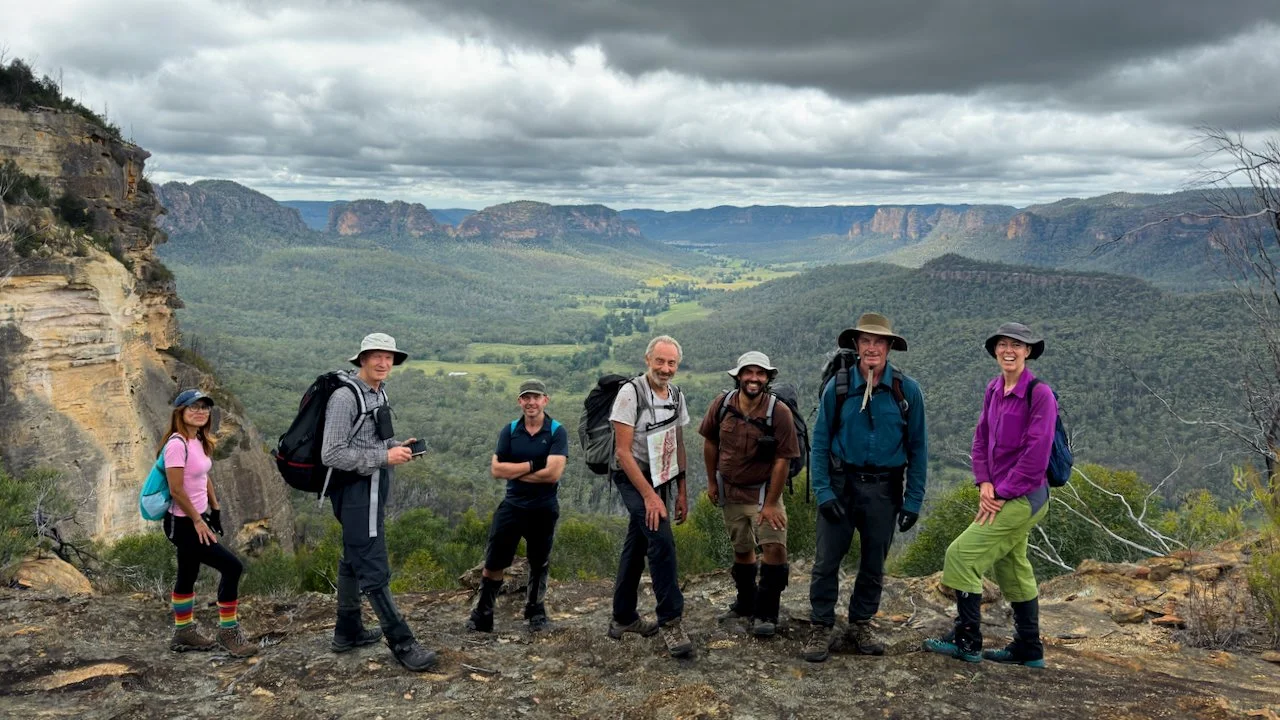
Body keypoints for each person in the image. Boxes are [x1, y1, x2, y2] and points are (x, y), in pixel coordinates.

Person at [924, 322, 1054, 667]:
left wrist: (1001, 493)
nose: (1008, 350)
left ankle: (968, 640)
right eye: (1002, 344)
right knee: (1012, 566)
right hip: (998, 491)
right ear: (995, 350)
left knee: (961, 556)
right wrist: (983, 482)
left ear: (1028, 351)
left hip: (1026, 496)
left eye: (1017, 345)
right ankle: (1029, 648)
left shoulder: (1039, 394)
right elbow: (981, 437)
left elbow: (1036, 454)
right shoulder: (994, 388)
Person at [803, 312, 928, 662]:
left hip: (884, 490)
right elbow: (821, 441)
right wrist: (824, 492)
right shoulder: (838, 388)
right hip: (842, 485)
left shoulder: (907, 391)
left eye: (879, 342)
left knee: (874, 562)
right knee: (827, 560)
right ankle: (821, 625)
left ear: (889, 347)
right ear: (856, 346)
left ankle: (861, 622)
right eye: (866, 341)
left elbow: (918, 448)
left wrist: (913, 499)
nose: (872, 348)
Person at [321, 332, 437, 672]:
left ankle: (348, 630)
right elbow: (332, 452)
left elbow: (376, 441)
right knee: (372, 563)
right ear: (361, 358)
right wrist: (384, 456)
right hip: (357, 491)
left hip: (371, 486)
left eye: (388, 357)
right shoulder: (345, 398)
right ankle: (402, 643)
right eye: (376, 356)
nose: (383, 362)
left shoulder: (377, 391)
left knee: (351, 556)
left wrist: (400, 447)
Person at [699, 351, 799, 637]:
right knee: (742, 548)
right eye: (748, 372)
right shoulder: (722, 405)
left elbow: (783, 459)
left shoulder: (778, 412)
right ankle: (746, 603)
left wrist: (770, 504)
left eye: (760, 373)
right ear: (739, 376)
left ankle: (767, 612)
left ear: (767, 378)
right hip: (730, 490)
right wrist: (711, 482)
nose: (753, 378)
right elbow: (710, 443)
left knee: (774, 546)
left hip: (764, 492)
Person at [607, 335, 694, 658]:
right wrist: (651, 498)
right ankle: (671, 620)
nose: (666, 368)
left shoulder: (675, 395)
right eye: (660, 361)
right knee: (661, 539)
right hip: (631, 476)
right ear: (648, 360)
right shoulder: (631, 394)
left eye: (671, 363)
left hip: (660, 475)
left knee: (638, 541)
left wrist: (681, 492)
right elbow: (623, 452)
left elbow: (679, 443)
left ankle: (623, 617)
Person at [467, 379, 569, 633]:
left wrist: (515, 472)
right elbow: (496, 469)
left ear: (545, 400)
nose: (531, 402)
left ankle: (535, 610)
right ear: (519, 401)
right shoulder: (510, 430)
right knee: (494, 562)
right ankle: (484, 613)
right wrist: (533, 466)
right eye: (526, 397)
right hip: (513, 506)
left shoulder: (556, 431)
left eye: (536, 397)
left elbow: (553, 474)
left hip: (543, 506)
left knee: (539, 561)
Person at [162, 388, 257, 657]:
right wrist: (197, 521)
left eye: (204, 407)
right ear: (180, 412)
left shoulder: (199, 440)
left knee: (188, 573)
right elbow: (176, 489)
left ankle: (184, 633)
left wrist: (214, 509)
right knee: (232, 566)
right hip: (182, 522)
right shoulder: (176, 444)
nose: (200, 411)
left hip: (198, 516)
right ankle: (228, 633)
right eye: (193, 407)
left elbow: (203, 476)